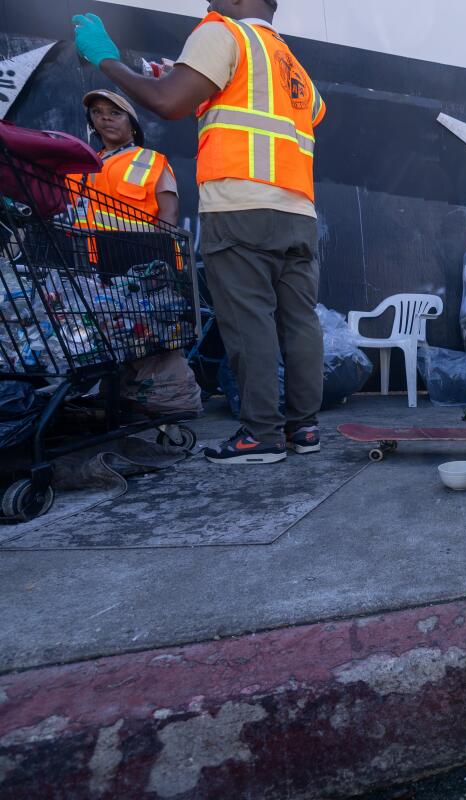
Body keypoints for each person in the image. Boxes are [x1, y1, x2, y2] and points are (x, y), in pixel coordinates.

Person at [72, 1, 327, 464]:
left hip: (240, 208)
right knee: (299, 321)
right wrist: (187, 73)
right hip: (298, 211)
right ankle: (303, 427)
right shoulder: (292, 65)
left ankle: (262, 435)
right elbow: (300, 109)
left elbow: (168, 102)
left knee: (249, 321)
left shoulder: (223, 32)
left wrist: (105, 58)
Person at [69, 90, 179, 232]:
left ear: (132, 124)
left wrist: (157, 250)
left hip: (139, 252)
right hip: (86, 252)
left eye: (115, 113)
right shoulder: (84, 164)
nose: (105, 118)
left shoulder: (151, 161)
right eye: (97, 112)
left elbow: (170, 213)